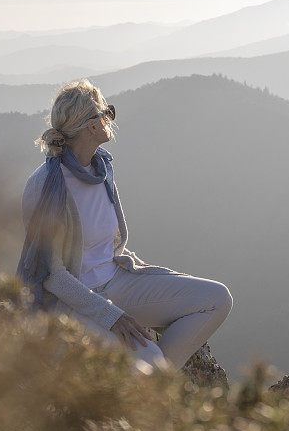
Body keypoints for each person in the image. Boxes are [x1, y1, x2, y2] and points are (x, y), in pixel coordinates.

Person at [16, 78, 233, 373]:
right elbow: (52, 275)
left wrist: (144, 277)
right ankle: (153, 377)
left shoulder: (101, 168)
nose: (111, 119)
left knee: (217, 299)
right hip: (76, 301)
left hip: (118, 280)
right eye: (108, 112)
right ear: (92, 126)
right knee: (150, 360)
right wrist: (111, 316)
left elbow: (111, 245)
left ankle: (156, 381)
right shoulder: (45, 186)